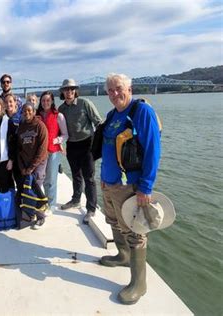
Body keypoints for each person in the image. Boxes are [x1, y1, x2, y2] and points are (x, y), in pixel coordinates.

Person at [99, 73, 161, 305]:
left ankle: (139, 284)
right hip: (109, 183)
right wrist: (104, 177)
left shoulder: (141, 112)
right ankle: (122, 256)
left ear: (130, 88)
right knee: (114, 222)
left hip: (131, 185)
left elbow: (153, 149)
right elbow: (107, 148)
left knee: (135, 231)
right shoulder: (112, 115)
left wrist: (146, 187)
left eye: (119, 89)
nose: (115, 94)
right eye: (110, 91)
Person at [58, 78, 102, 224]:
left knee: (89, 177)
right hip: (71, 145)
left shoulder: (85, 103)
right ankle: (76, 199)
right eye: (66, 89)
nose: (69, 92)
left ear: (75, 91)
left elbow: (98, 123)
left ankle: (91, 208)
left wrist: (98, 145)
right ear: (62, 92)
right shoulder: (61, 109)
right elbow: (58, 130)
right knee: (76, 175)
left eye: (71, 89)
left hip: (87, 144)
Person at [16, 102, 48, 229]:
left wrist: (31, 167)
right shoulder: (22, 126)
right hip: (26, 163)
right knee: (27, 189)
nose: (27, 113)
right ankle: (30, 214)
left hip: (38, 163)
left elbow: (42, 149)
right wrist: (22, 167)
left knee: (37, 188)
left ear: (34, 112)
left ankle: (41, 217)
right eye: (24, 111)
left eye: (29, 110)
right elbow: (19, 148)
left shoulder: (40, 126)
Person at [36, 91, 68, 209]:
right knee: (41, 178)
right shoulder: (37, 115)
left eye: (48, 100)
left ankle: (51, 204)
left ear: (52, 101)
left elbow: (65, 135)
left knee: (51, 179)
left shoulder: (58, 116)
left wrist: (57, 140)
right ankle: (42, 201)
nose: (45, 103)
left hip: (53, 152)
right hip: (40, 152)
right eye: (43, 100)